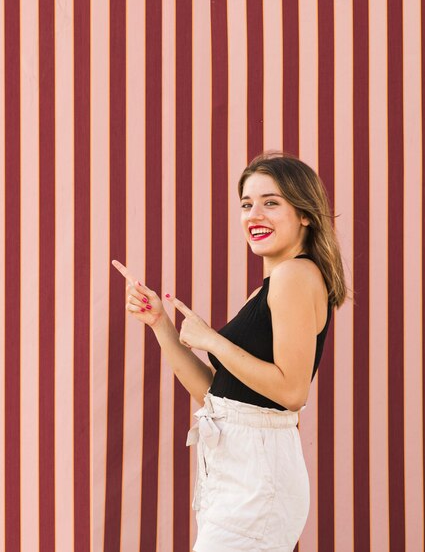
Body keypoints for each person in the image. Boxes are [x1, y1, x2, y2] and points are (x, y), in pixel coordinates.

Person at [112, 151, 347, 551]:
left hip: (257, 480)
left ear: (304, 214)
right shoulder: (271, 288)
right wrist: (161, 325)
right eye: (246, 204)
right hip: (236, 473)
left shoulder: (294, 276)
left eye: (271, 202)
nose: (254, 214)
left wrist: (212, 340)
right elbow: (216, 397)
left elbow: (292, 393)